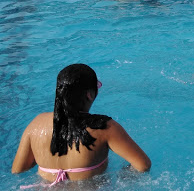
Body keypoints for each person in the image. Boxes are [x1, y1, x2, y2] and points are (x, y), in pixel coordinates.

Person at [12, 64, 151, 186]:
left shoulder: (36, 124)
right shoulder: (106, 128)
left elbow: (18, 169)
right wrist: (124, 176)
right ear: (89, 94)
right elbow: (142, 165)